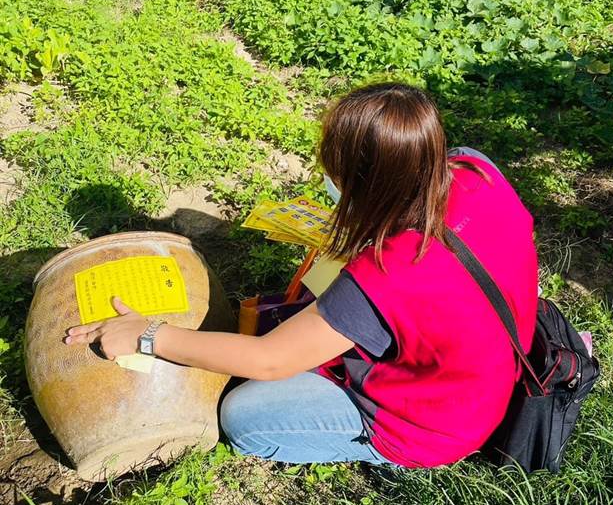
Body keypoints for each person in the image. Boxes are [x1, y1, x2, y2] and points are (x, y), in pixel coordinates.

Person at [65, 83, 538, 469]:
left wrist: (149, 335)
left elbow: (270, 360)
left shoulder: (387, 273)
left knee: (245, 416)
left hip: (437, 426)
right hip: (495, 368)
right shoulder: (478, 171)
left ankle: (377, 447)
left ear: (361, 183)